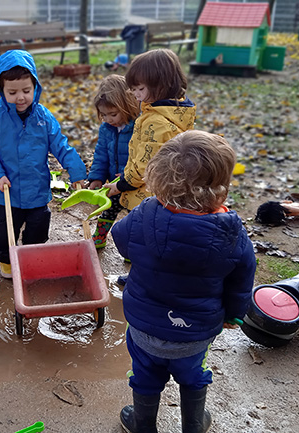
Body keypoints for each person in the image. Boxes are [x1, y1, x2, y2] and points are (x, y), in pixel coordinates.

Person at [111, 130, 257, 433]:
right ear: (221, 188)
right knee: (194, 375)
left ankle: (143, 424)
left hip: (143, 327)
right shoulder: (231, 233)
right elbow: (242, 279)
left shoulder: (145, 213)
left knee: (145, 375)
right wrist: (233, 314)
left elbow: (121, 240)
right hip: (195, 334)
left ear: (159, 180)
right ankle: (193, 424)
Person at [0, 50, 87, 278]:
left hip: (37, 188)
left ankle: (31, 257)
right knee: (7, 229)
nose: (20, 97)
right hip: (6, 189)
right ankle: (7, 262)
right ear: (1, 89)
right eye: (12, 92)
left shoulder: (43, 117)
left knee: (38, 227)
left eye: (26, 91)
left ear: (35, 86)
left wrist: (75, 170)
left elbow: (60, 144)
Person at [104, 49, 196, 211]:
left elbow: (146, 163)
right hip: (161, 188)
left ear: (161, 86)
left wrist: (124, 183)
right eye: (133, 89)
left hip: (146, 193)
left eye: (140, 89)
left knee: (139, 229)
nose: (136, 95)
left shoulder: (157, 122)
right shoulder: (175, 111)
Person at [88, 74, 139, 249]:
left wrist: (127, 174)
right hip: (114, 182)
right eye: (104, 115)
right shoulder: (107, 128)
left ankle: (135, 247)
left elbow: (141, 157)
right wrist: (97, 177)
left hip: (135, 184)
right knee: (109, 209)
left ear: (128, 105)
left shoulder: (139, 127)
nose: (109, 119)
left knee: (137, 216)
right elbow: (101, 154)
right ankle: (100, 237)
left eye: (113, 114)